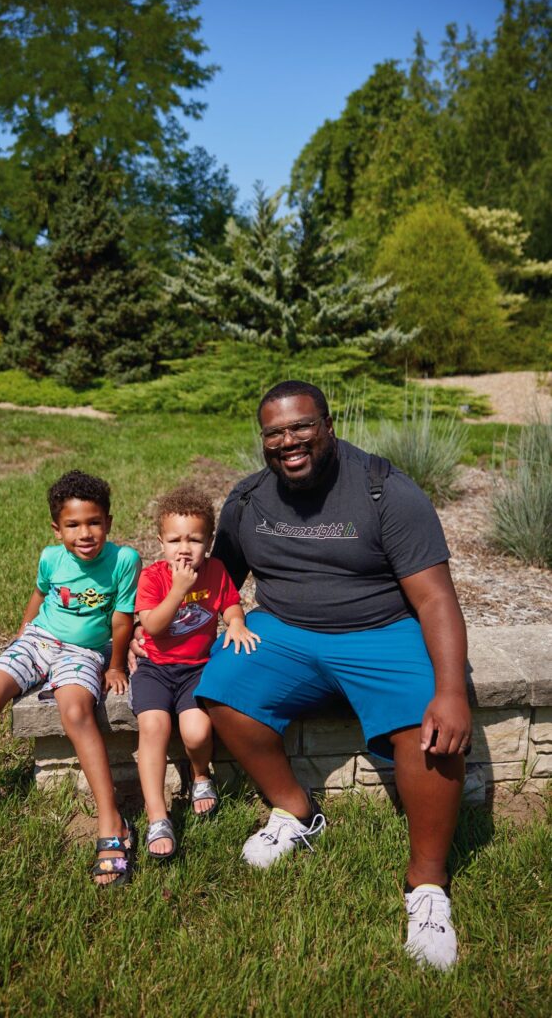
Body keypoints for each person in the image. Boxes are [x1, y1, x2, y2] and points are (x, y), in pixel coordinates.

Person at [133, 380, 471, 969]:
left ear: (328, 424)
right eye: (274, 433)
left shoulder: (386, 491)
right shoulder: (249, 501)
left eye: (301, 426)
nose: (288, 441)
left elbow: (437, 599)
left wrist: (449, 690)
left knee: (432, 729)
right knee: (223, 690)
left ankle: (428, 887)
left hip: (381, 630)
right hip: (285, 629)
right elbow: (213, 581)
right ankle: (296, 810)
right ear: (262, 440)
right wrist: (149, 635)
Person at [0, 469, 141, 888]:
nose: (84, 533)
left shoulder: (123, 561)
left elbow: (121, 621)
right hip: (40, 639)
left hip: (85, 651)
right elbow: (40, 592)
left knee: (75, 710)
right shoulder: (51, 557)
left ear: (108, 521)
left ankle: (112, 822)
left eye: (94, 522)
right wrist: (24, 629)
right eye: (73, 525)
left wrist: (116, 664)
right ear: (57, 528)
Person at [132, 486, 259, 859]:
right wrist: (179, 589)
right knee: (153, 729)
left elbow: (231, 604)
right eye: (174, 540)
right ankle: (157, 815)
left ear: (210, 541)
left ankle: (200, 774)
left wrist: (235, 622)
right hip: (155, 670)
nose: (184, 548)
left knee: (197, 730)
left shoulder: (217, 571)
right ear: (161, 542)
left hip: (195, 670)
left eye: (194, 539)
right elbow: (153, 627)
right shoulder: (154, 578)